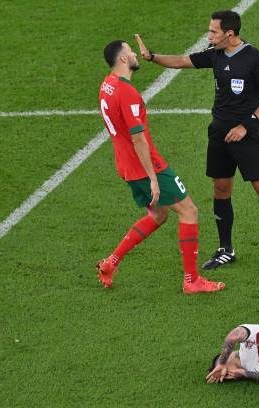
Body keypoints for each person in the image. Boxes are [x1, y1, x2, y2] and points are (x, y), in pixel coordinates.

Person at [135, 9, 259, 270]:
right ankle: (226, 249)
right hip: (218, 135)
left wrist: (245, 125)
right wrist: (153, 57)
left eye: (214, 31)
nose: (210, 35)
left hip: (247, 136)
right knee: (221, 189)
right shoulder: (215, 54)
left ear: (230, 34)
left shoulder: (254, 58)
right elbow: (183, 61)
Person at [96, 40, 226, 295]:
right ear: (123, 60)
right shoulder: (127, 92)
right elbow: (138, 138)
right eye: (130, 52)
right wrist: (153, 177)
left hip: (124, 165)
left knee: (158, 214)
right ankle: (192, 281)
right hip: (144, 165)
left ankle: (110, 263)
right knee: (189, 211)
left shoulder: (106, 85)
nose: (134, 54)